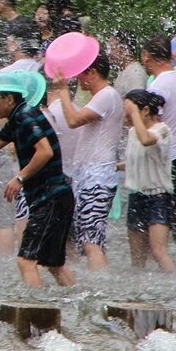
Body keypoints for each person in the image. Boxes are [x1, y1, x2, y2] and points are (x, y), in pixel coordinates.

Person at [0, 73, 75, 288]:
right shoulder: (16, 119)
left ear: (9, 99)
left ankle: (36, 311)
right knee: (54, 264)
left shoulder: (25, 117)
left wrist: (19, 178)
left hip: (50, 197)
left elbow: (45, 152)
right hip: (55, 197)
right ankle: (76, 303)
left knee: (26, 261)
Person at [50, 53, 124, 271]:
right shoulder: (102, 96)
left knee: (91, 241)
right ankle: (100, 285)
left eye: (80, 73)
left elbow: (73, 120)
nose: (77, 80)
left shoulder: (106, 95)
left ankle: (100, 290)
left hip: (97, 178)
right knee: (91, 240)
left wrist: (62, 90)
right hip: (91, 177)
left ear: (92, 73)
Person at [141, 35, 176, 258]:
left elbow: (150, 126)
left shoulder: (157, 86)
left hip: (166, 161)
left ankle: (164, 271)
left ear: (147, 56)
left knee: (158, 221)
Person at [121, 89, 176, 271]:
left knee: (158, 251)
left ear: (145, 111)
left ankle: (173, 288)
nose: (126, 116)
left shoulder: (162, 130)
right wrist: (114, 166)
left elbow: (146, 140)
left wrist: (134, 113)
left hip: (158, 197)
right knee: (137, 259)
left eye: (129, 111)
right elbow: (135, 160)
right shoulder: (131, 133)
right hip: (136, 196)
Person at [109, 31, 147, 97]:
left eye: (112, 48)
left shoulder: (135, 73)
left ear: (125, 49)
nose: (109, 53)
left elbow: (137, 103)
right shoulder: (125, 71)